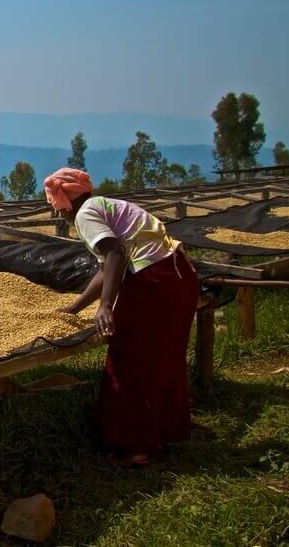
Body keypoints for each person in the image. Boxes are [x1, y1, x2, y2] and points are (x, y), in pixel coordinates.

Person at [44, 167, 198, 465]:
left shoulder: (85, 215)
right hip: (178, 275)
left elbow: (115, 255)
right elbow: (105, 268)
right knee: (161, 357)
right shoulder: (101, 204)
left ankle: (134, 446)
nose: (57, 212)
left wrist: (105, 306)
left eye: (55, 203)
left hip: (154, 280)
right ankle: (162, 433)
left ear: (65, 200)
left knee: (130, 359)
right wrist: (76, 307)